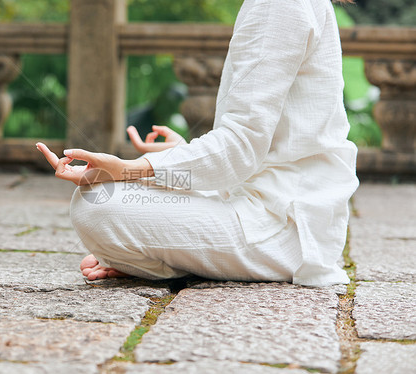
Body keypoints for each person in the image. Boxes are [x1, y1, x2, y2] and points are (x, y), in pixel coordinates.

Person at [37, 0, 358, 287]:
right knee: (138, 190)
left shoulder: (278, 5)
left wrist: (128, 169)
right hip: (284, 209)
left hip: (282, 228)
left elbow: (240, 147)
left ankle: (171, 261)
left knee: (95, 205)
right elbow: (263, 142)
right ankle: (172, 256)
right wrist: (180, 154)